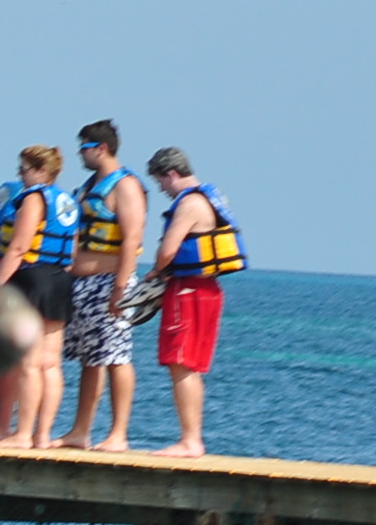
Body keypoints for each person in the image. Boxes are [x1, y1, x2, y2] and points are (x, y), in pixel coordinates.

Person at [143, 147, 245, 456]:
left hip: (187, 290)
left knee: (180, 363)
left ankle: (189, 440)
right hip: (209, 290)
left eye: (161, 182)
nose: (162, 188)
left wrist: (155, 273)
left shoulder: (189, 203)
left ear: (171, 174)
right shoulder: (210, 199)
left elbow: (168, 251)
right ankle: (192, 438)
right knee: (191, 366)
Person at [61, 119, 149, 450]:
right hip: (83, 285)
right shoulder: (87, 186)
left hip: (111, 283)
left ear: (102, 148)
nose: (79, 154)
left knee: (116, 356)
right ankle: (80, 431)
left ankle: (118, 434)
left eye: (84, 148)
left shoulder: (125, 186)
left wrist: (120, 288)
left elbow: (132, 239)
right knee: (90, 357)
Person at [0, 145, 77, 446]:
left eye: (23, 169)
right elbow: (71, 253)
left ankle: (22, 434)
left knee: (28, 363)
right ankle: (43, 434)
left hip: (33, 281)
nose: (19, 175)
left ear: (40, 171)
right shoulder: (67, 202)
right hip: (60, 281)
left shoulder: (34, 199)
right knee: (51, 364)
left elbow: (19, 247)